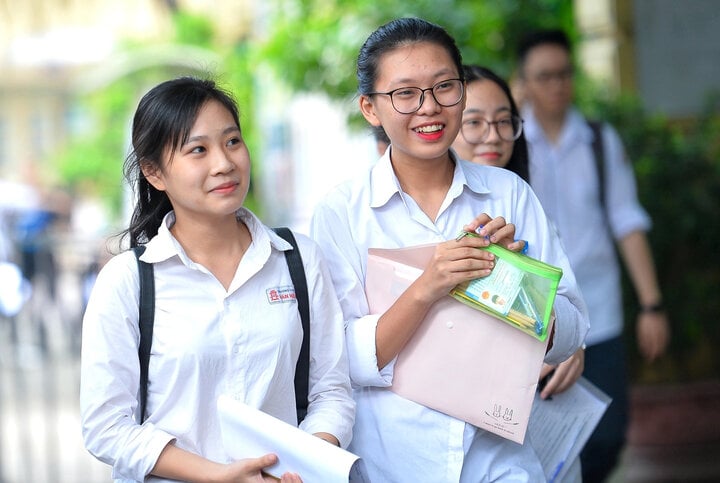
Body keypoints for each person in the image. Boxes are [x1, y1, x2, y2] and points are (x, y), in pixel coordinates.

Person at [310, 17, 589, 482]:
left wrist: (515, 281)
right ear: (370, 108)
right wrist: (428, 286)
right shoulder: (341, 212)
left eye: (444, 87)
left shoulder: (508, 192)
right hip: (391, 465)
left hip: (499, 462)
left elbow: (574, 330)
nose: (429, 107)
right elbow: (340, 361)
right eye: (405, 93)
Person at [80, 76, 354, 483]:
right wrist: (217, 475)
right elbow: (106, 427)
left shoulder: (298, 258)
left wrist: (303, 465)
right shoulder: (128, 281)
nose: (224, 163)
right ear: (154, 172)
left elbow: (332, 390)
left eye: (232, 142)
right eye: (198, 150)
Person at [516, 29, 670, 482]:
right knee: (542, 439)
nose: (557, 85)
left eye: (564, 74)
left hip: (599, 312)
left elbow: (627, 222)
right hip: (536, 320)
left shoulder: (600, 141)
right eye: (544, 76)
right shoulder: (507, 143)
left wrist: (651, 305)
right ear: (522, 82)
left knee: (608, 433)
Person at [452, 64, 586, 482]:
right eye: (474, 122)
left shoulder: (530, 208)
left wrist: (567, 344)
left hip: (543, 416)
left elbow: (567, 313)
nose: (492, 135)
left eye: (504, 121)